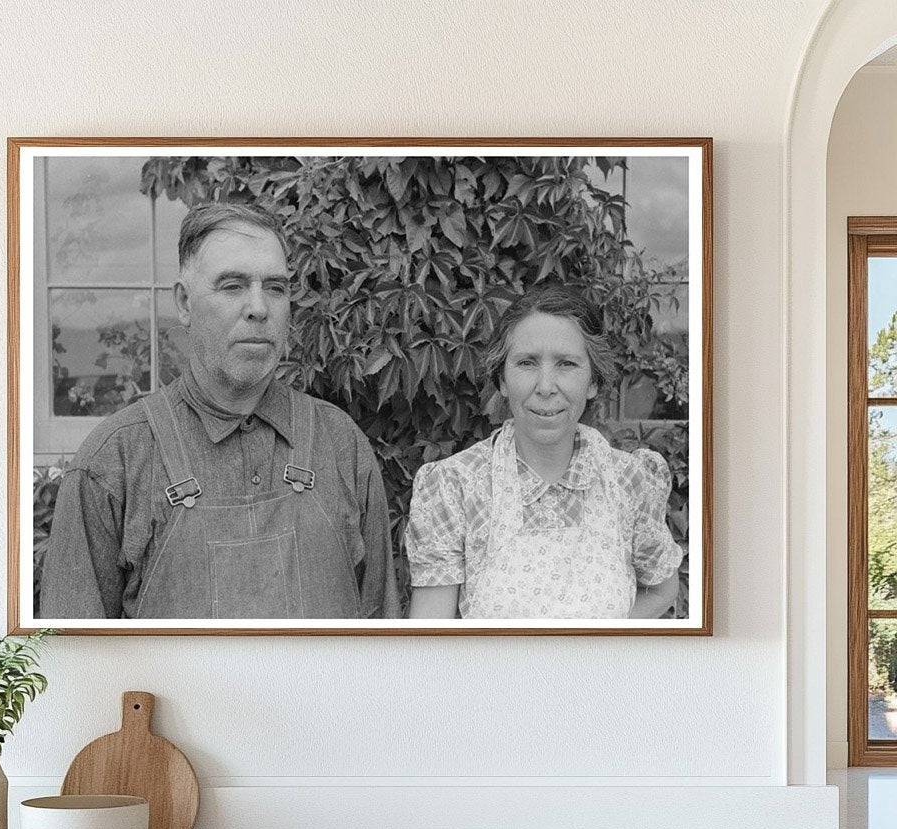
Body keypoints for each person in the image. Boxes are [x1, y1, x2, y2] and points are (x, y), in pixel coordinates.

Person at [41, 202, 399, 620]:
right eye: (232, 286)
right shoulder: (113, 460)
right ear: (184, 303)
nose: (259, 307)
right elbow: (72, 661)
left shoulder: (339, 442)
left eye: (276, 288)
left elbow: (382, 644)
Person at [404, 284, 682, 620]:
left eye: (566, 364)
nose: (546, 387)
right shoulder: (455, 487)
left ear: (593, 381)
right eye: (526, 363)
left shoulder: (630, 481)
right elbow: (432, 636)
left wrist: (600, 644)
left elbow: (663, 591)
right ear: (502, 380)